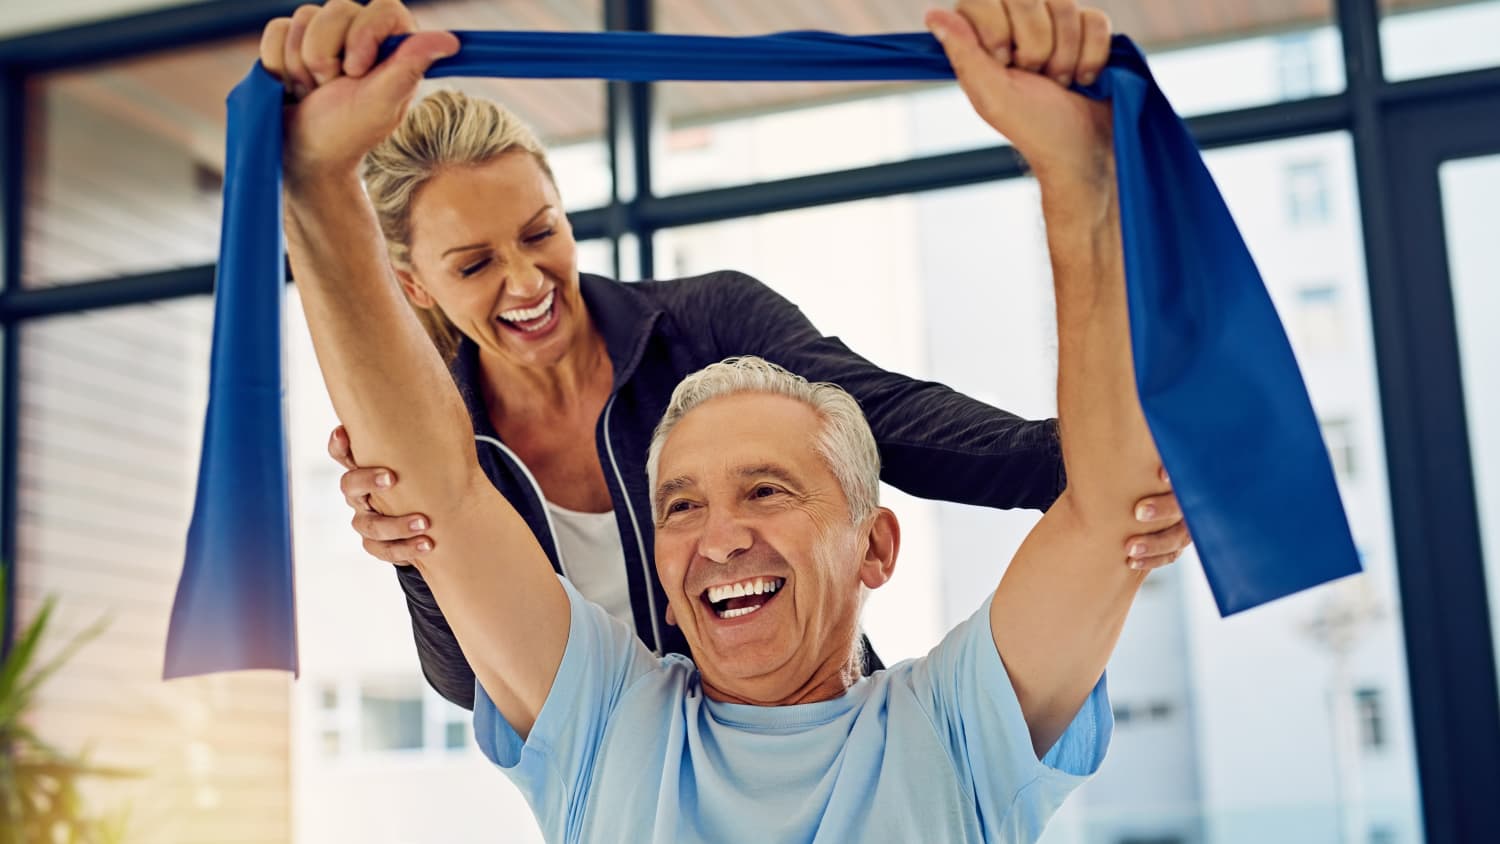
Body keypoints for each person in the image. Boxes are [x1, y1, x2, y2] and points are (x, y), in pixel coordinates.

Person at [274, 0, 1173, 838]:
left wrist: (1080, 170)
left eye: (767, 488)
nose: (720, 537)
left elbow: (1072, 494)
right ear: (418, 286)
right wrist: (316, 187)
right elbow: (444, 505)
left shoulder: (952, 729)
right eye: (678, 506)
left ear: (876, 547)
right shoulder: (607, 723)